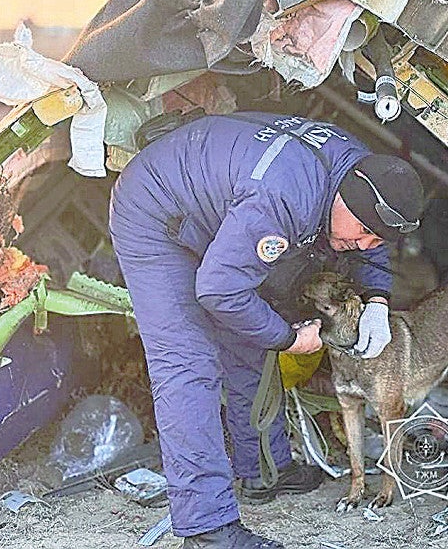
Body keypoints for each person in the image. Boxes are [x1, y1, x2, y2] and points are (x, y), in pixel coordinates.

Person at [109, 111, 425, 549]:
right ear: (344, 202)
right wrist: (292, 339)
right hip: (156, 210)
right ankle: (206, 528)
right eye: (365, 234)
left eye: (378, 240)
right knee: (188, 363)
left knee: (248, 338)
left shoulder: (360, 172)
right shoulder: (283, 200)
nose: (365, 246)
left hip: (220, 205)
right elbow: (219, 290)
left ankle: (263, 471)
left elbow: (368, 241)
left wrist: (377, 299)